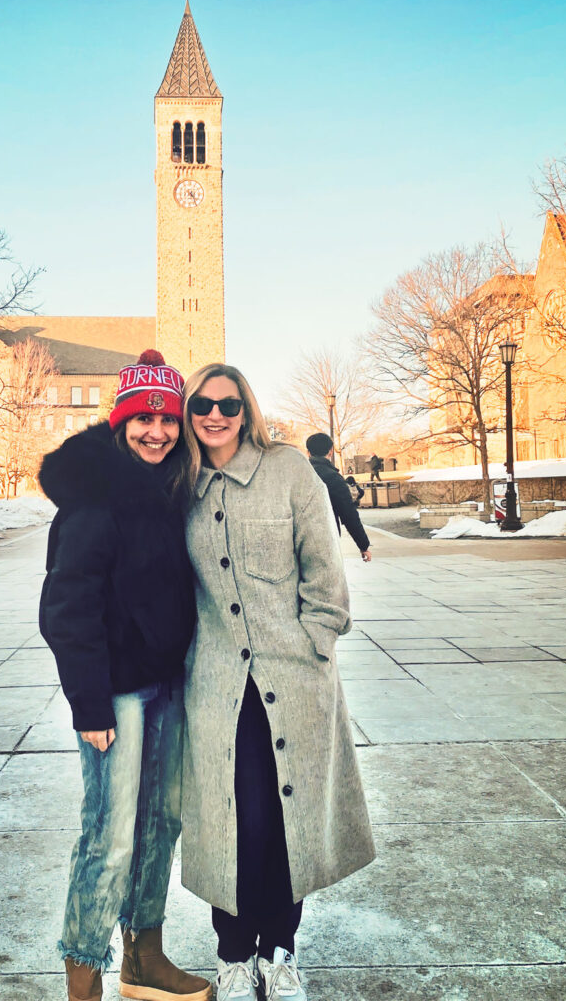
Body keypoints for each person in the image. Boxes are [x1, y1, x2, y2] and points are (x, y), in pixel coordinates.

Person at [180, 364, 375, 1001]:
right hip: (217, 687)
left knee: (290, 821)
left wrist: (316, 643)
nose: (215, 415)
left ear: (246, 409)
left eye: (228, 405)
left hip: (292, 683)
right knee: (235, 823)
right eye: (203, 404)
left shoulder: (289, 470)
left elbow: (326, 571)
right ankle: (234, 955)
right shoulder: (179, 484)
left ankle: (280, 950)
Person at [38, 349, 211, 1001]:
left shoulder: (171, 489)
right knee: (109, 837)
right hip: (115, 695)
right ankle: (84, 978)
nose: (157, 432)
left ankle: (145, 960)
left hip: (166, 688)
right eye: (143, 420)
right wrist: (89, 704)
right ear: (121, 422)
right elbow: (65, 607)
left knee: (159, 828)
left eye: (168, 422)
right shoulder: (95, 501)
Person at [306, 433, 371, 562]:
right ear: (330, 452)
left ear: (308, 452)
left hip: (299, 539)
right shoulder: (333, 477)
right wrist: (363, 545)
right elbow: (348, 514)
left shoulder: (300, 474)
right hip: (327, 536)